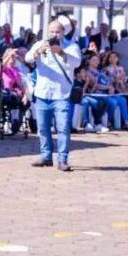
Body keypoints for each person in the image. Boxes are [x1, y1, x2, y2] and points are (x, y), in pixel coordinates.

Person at [25, 20, 81, 171]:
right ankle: (46, 156)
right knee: (43, 128)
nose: (54, 35)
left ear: (63, 32)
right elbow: (28, 59)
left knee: (63, 128)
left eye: (57, 32)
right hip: (43, 92)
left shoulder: (71, 46)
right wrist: (38, 52)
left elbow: (76, 63)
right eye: (52, 31)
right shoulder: (40, 45)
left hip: (61, 94)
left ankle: (62, 159)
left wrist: (61, 52)